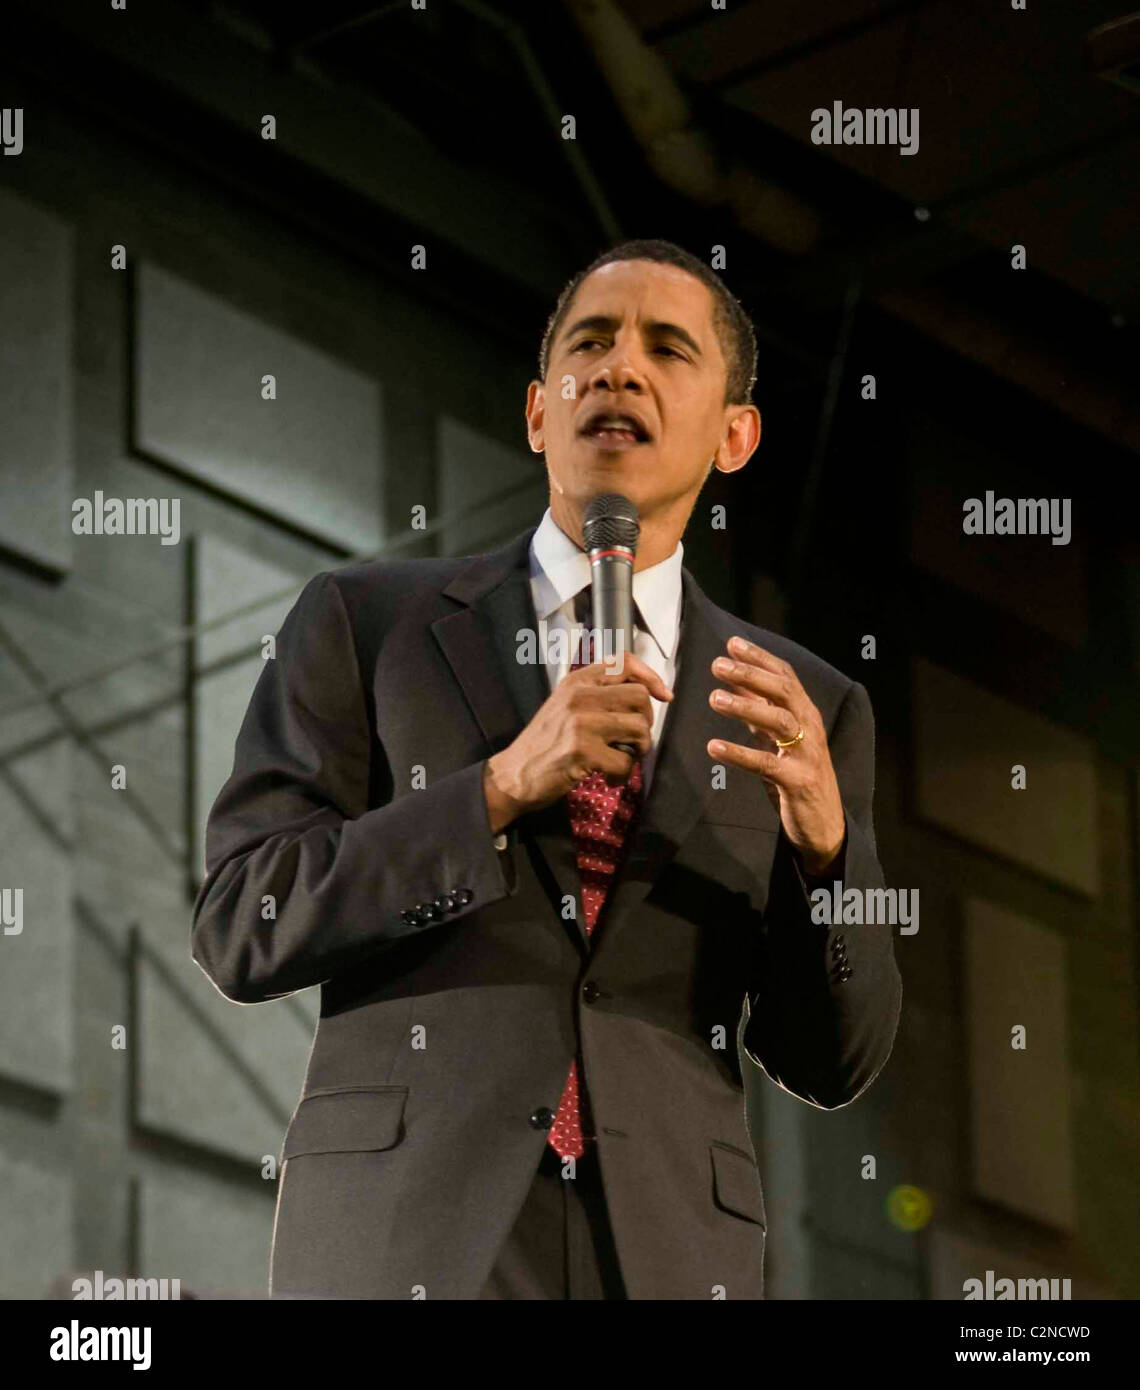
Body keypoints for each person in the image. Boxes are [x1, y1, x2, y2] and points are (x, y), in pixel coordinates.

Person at [191, 238, 902, 1300]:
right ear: (538, 411)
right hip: (412, 1233)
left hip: (664, 1252)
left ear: (736, 434)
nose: (620, 369)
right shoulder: (369, 625)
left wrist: (827, 858)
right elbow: (245, 917)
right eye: (590, 343)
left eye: (667, 349)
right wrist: (497, 787)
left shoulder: (802, 704)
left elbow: (834, 1061)